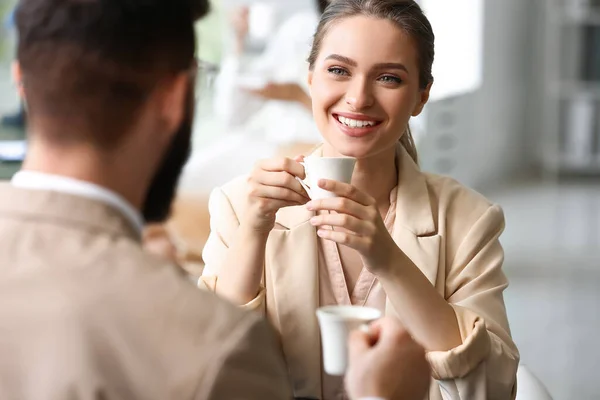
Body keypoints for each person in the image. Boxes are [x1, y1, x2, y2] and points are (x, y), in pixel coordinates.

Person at [0, 0, 431, 399]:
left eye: (389, 77)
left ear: (21, 81)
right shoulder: (215, 344)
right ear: (174, 97)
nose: (358, 95)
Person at [201, 1, 520, 399]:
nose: (358, 98)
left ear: (422, 97)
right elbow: (209, 372)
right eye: (338, 71)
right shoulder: (239, 205)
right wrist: (251, 234)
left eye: (388, 78)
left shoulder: (469, 220)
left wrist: (389, 261)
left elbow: (493, 387)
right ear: (311, 79)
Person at [213, 0, 331, 151]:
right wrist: (238, 41)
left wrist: (299, 96)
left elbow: (348, 126)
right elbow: (231, 116)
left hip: (323, 154)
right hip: (283, 152)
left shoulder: (355, 38)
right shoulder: (298, 30)